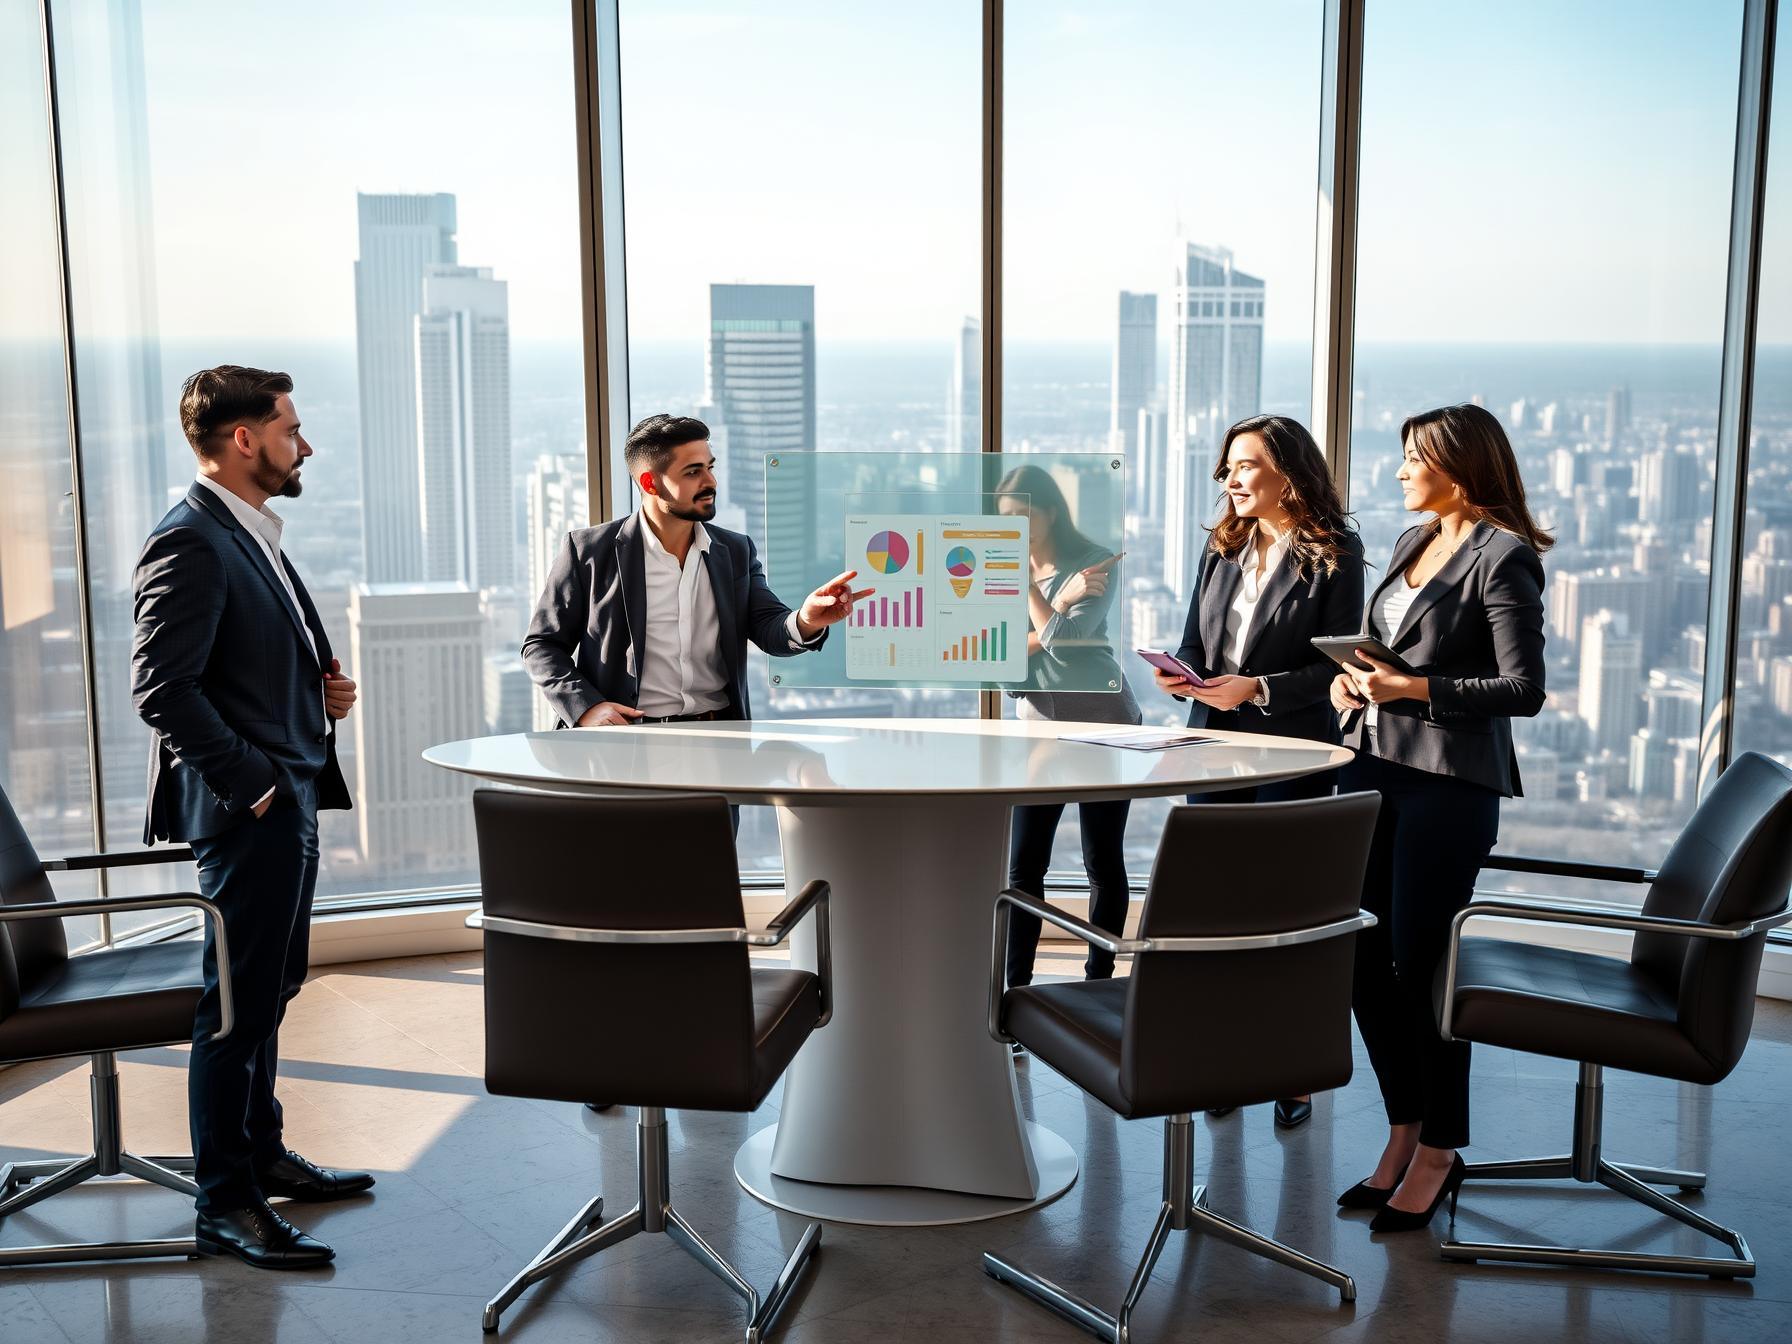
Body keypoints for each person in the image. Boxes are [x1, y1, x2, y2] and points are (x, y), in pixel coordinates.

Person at [132, 366, 370, 1269]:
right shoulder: (190, 540)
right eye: (291, 430)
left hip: (287, 791)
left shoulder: (247, 530)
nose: (304, 444)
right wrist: (260, 784)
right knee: (233, 1009)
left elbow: (240, 658)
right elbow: (162, 690)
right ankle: (224, 1203)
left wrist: (316, 686)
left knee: (270, 988)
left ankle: (262, 1153)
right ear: (243, 440)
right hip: (252, 810)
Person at [1327, 402, 1548, 1232]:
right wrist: (1357, 679)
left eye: (1412, 458)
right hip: (1371, 770)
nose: (1399, 472)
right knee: (1360, 961)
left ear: (1457, 465)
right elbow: (1391, 651)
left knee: (1418, 968)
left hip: (1448, 787)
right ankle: (1403, 1128)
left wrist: (1410, 689)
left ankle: (1441, 1148)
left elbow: (1521, 690)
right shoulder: (1411, 543)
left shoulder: (1504, 558)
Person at [1153, 414, 1364, 1129]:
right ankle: (1225, 1058)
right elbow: (1194, 641)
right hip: (1213, 742)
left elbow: (1334, 664)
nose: (1232, 480)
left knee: (1284, 909)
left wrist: (1260, 688)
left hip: (1291, 748)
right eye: (1229, 468)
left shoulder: (1336, 554)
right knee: (1217, 907)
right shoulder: (1222, 546)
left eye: (1244, 466)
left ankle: (1292, 1069)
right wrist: (1183, 679)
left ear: (1289, 474)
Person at [522, 413, 869, 730]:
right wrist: (586, 708)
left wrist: (807, 620)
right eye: (693, 472)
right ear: (650, 483)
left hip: (719, 737)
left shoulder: (734, 551)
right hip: (624, 740)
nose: (711, 481)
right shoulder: (589, 552)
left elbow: (768, 628)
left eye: (710, 467)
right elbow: (541, 646)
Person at [994, 465, 1140, 1017]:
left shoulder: (1094, 561)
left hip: (1104, 723)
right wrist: (1057, 603)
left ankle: (1098, 982)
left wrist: (1033, 593)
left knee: (1102, 859)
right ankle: (1015, 992)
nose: (1014, 529)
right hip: (1038, 732)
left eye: (1023, 516)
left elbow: (1070, 640)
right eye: (1004, 519)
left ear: (1051, 511)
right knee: (1024, 866)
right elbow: (1002, 670)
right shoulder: (995, 572)